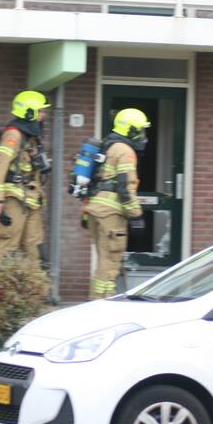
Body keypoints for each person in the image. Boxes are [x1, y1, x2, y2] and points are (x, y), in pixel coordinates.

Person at [83, 108, 149, 300]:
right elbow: (125, 186)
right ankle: (100, 304)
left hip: (97, 210)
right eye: (140, 130)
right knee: (110, 261)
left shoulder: (108, 146)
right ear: (130, 130)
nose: (143, 136)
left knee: (103, 259)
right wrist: (136, 216)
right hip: (111, 214)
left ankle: (98, 300)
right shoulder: (125, 151)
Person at [0, 90, 51, 265]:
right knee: (5, 249)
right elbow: (0, 167)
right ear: (29, 112)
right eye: (40, 111)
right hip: (13, 200)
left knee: (35, 251)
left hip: (30, 200)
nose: (43, 115)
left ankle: (38, 291)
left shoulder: (31, 138)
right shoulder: (13, 135)